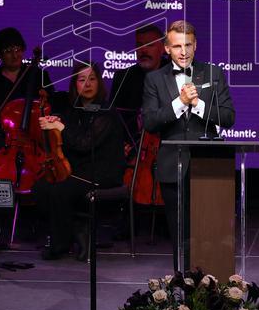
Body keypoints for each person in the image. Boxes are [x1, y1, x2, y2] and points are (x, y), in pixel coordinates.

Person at [141, 20, 235, 270]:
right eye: (177, 46)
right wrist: (180, 103)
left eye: (188, 45)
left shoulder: (213, 73)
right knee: (180, 237)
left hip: (210, 167)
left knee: (211, 236)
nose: (183, 52)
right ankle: (182, 295)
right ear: (166, 48)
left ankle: (214, 295)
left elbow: (228, 117)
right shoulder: (154, 79)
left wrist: (198, 105)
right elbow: (150, 121)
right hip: (173, 166)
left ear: (195, 46)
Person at [34, 61, 125, 260]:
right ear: (74, 84)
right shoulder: (72, 111)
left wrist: (61, 127)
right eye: (81, 79)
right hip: (77, 171)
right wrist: (51, 124)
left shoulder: (105, 112)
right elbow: (63, 143)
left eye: (92, 79)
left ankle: (61, 244)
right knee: (41, 187)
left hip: (102, 172)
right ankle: (77, 228)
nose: (87, 84)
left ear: (99, 83)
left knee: (60, 190)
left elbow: (84, 143)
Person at [108, 24, 169, 148]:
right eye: (139, 45)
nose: (144, 50)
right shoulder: (123, 77)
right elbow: (113, 120)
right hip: (131, 151)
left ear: (163, 48)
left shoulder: (177, 75)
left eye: (150, 45)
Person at [0, 27, 55, 109]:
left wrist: (46, 98)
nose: (15, 56)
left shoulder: (39, 76)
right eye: (8, 51)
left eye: (17, 49)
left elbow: (52, 104)